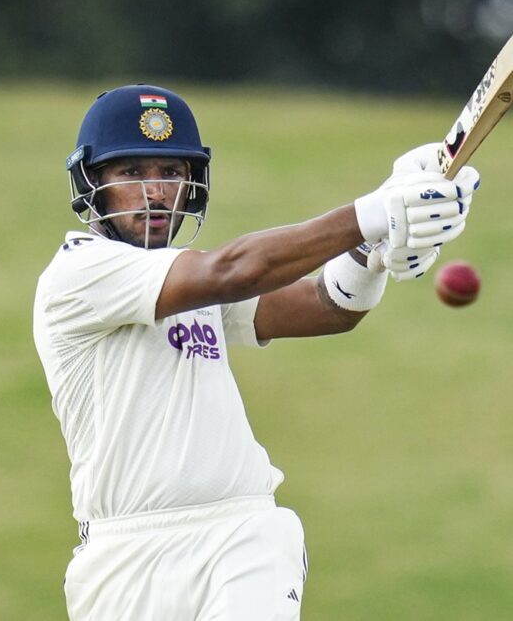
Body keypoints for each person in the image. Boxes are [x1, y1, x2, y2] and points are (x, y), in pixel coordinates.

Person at [33, 84, 479, 621]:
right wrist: (377, 211)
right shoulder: (79, 273)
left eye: (171, 172)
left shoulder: (193, 282)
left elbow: (327, 307)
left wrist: (372, 253)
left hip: (241, 534)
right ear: (92, 183)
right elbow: (235, 271)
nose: (155, 192)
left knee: (270, 535)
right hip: (121, 561)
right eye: (132, 173)